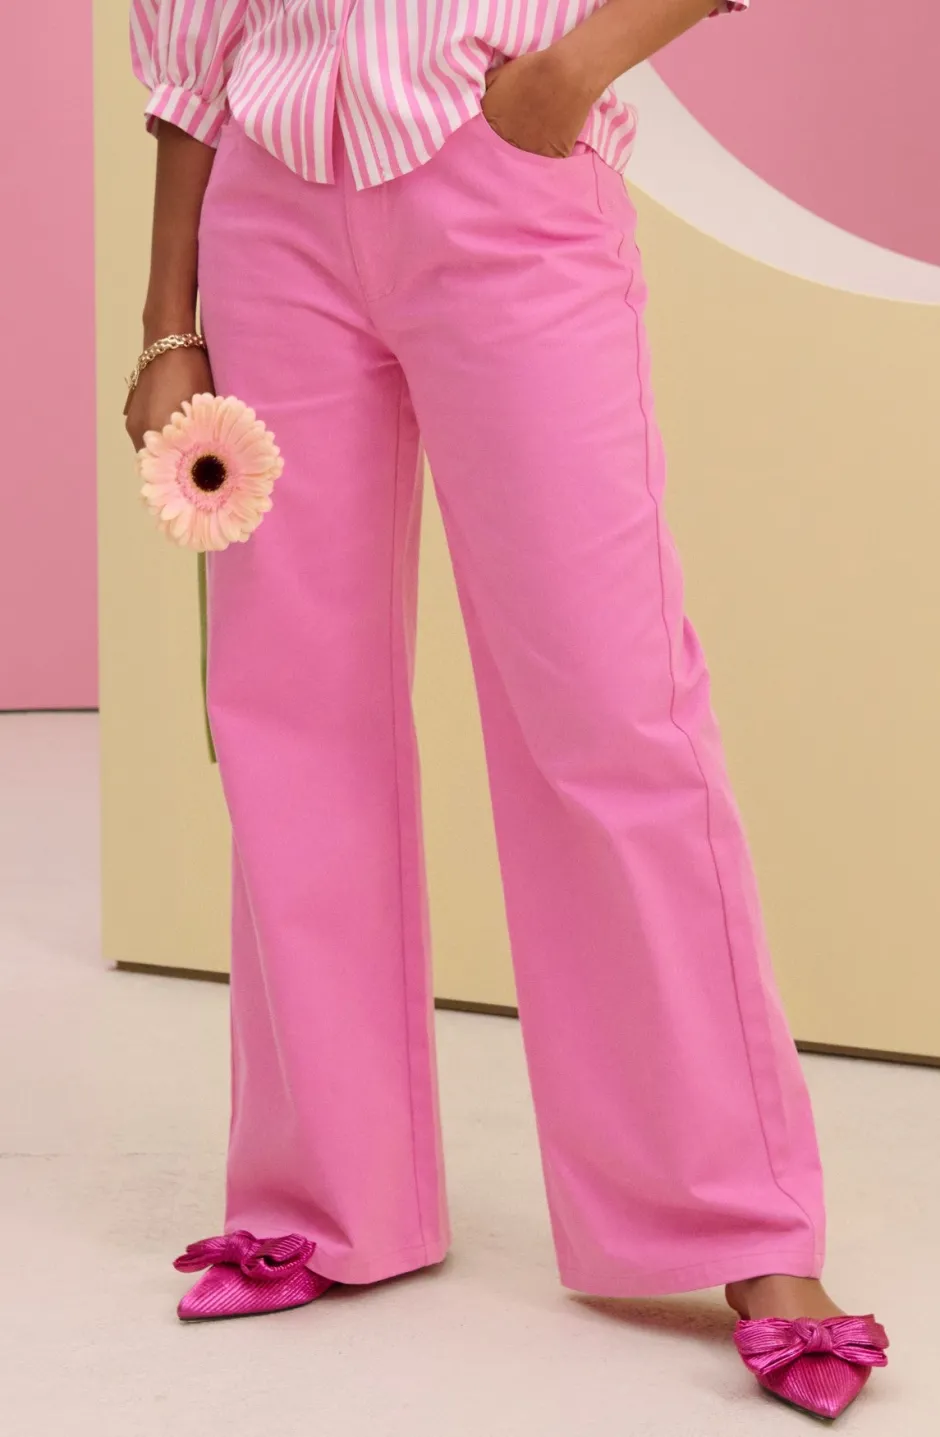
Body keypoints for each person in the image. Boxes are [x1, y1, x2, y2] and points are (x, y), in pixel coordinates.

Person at [125, 0, 888, 1419]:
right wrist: (169, 319)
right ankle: (321, 1197)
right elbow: (193, 29)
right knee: (288, 709)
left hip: (502, 181)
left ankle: (743, 1225)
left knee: (612, 709)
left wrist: (573, 74)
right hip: (269, 212)